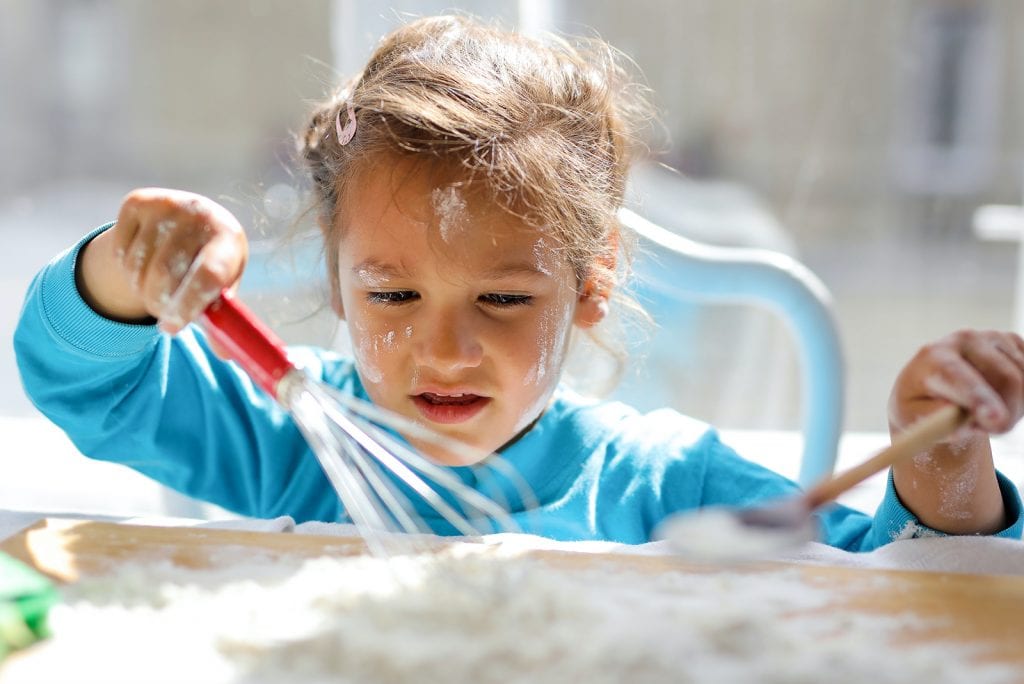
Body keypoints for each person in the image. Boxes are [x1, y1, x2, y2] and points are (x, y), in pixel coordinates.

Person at [14, 15, 1023, 547]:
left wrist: (938, 470)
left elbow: (891, 575)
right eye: (392, 295)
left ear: (591, 286)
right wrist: (127, 268)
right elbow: (88, 381)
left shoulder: (669, 486)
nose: (444, 348)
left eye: (502, 299)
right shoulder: (297, 445)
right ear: (334, 276)